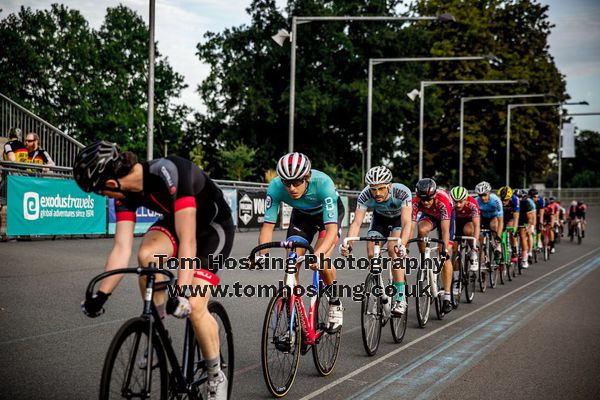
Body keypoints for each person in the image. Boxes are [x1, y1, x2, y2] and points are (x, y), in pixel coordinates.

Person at [74, 141, 233, 400]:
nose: (105, 197)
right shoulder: (124, 195)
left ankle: (216, 375)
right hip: (177, 222)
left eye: (101, 192)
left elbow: (189, 240)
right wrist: (101, 296)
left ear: (112, 184)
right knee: (147, 255)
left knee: (194, 303)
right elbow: (121, 248)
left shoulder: (169, 171)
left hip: (212, 229)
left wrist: (181, 291)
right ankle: (158, 332)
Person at [257, 152, 345, 333]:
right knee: (291, 261)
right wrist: (261, 256)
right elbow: (267, 227)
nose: (291, 188)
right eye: (286, 183)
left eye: (296, 182)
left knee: (321, 261)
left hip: (326, 221)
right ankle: (292, 311)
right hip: (301, 218)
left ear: (307, 176)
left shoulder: (323, 184)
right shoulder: (275, 187)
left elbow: (331, 231)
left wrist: (318, 255)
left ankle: (335, 302)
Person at [341, 166, 412, 316]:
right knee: (372, 252)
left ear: (389, 186)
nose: (377, 193)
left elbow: (407, 223)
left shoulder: (402, 192)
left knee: (394, 249)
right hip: (380, 221)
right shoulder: (365, 195)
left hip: (399, 221)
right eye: (373, 189)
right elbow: (356, 223)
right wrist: (349, 244)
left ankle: (400, 298)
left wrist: (403, 245)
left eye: (381, 188)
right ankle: (377, 294)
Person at [411, 178, 454, 314]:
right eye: (422, 199)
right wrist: (404, 243)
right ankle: (424, 258)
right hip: (429, 216)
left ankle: (447, 296)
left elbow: (445, 230)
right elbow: (410, 225)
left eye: (429, 199)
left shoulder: (443, 201)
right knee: (421, 230)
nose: (425, 202)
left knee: (444, 256)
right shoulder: (416, 202)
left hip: (446, 218)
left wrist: (445, 249)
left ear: (434, 195)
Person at [450, 186, 481, 294]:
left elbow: (476, 225)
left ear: (466, 199)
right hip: (455, 222)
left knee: (468, 230)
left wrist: (474, 244)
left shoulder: (472, 203)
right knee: (454, 252)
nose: (458, 205)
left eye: (460, 202)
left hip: (468, 222)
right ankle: (456, 280)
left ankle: (472, 253)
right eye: (455, 202)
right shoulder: (450, 204)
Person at [475, 181, 504, 260]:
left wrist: (498, 235)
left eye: (485, 195)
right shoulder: (476, 201)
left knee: (494, 225)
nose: (483, 198)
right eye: (480, 195)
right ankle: (483, 265)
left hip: (493, 217)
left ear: (489, 193)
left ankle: (497, 246)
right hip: (483, 218)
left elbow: (501, 221)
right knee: (480, 243)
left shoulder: (496, 200)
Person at [498, 186, 520, 263]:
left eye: (506, 200)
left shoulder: (515, 199)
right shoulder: (497, 200)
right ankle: (500, 250)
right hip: (501, 215)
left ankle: (514, 250)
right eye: (502, 200)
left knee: (511, 230)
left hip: (511, 214)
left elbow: (516, 217)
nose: (503, 202)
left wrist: (515, 229)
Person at [515, 189, 536, 269]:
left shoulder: (525, 203)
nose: (518, 199)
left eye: (520, 197)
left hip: (523, 220)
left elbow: (530, 217)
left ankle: (524, 259)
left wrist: (529, 226)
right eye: (517, 197)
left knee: (523, 236)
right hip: (514, 220)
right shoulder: (513, 202)